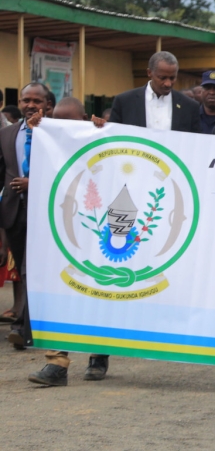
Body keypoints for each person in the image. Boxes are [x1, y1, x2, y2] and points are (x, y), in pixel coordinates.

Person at [24, 97, 110, 386]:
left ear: (86, 119)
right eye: (57, 122)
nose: (63, 128)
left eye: (70, 122)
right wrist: (36, 130)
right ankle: (57, 363)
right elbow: (29, 167)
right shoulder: (47, 140)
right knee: (60, 290)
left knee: (98, 290)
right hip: (60, 228)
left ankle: (99, 353)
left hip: (98, 229)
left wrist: (105, 130)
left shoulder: (104, 139)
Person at [2, 84, 53, 356]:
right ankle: (25, 326)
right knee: (22, 273)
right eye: (26, 100)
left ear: (48, 104)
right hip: (14, 214)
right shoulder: (6, 134)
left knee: (32, 270)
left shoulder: (58, 133)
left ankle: (25, 327)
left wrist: (35, 182)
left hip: (46, 213)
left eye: (37, 100)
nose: (30, 104)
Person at [107, 51, 202, 133]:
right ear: (149, 73)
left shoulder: (189, 106)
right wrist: (98, 126)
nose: (168, 83)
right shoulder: (124, 102)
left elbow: (194, 142)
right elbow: (113, 135)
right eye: (162, 78)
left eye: (172, 78)